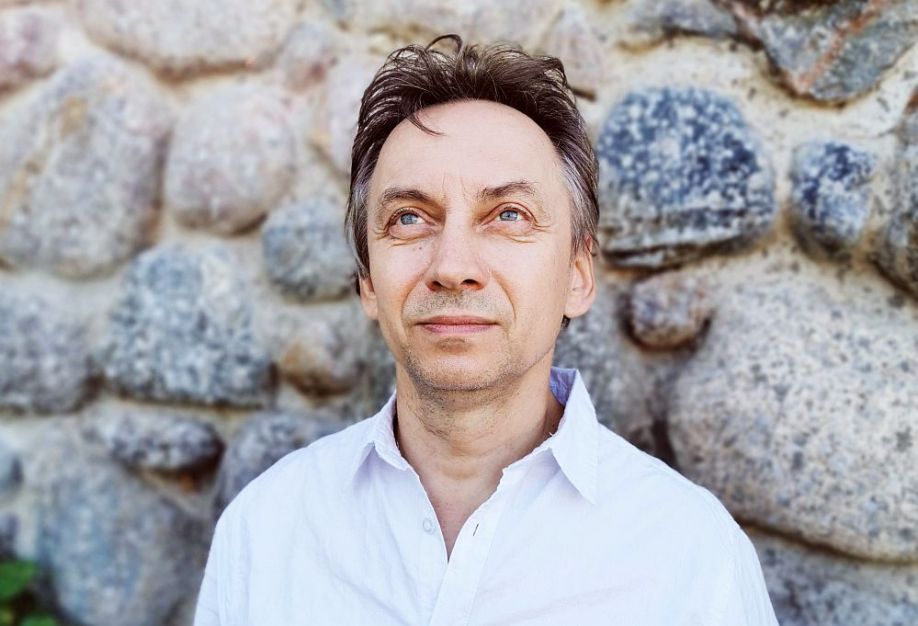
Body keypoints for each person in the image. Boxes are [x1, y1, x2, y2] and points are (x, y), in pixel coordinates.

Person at [193, 34, 779, 625]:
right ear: (368, 280)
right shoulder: (266, 530)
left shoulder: (692, 556)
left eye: (508, 215)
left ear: (577, 275)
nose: (452, 267)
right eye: (409, 218)